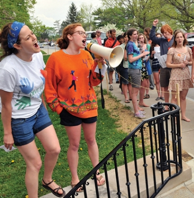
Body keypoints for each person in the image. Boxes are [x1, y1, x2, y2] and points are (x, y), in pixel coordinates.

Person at [0, 21, 65, 198]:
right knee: (34, 163)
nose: (34, 37)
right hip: (19, 119)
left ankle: (47, 180)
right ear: (17, 45)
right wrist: (7, 133)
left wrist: (42, 105)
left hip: (38, 111)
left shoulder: (37, 56)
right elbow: (5, 105)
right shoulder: (7, 68)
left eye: (32, 33)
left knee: (54, 149)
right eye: (28, 37)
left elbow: (39, 83)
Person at [45, 23, 106, 191]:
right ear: (69, 36)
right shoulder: (55, 58)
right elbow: (49, 89)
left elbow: (93, 81)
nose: (84, 35)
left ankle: (97, 171)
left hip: (89, 105)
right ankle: (75, 178)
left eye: (85, 33)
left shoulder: (87, 55)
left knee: (92, 140)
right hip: (68, 109)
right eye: (80, 33)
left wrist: (100, 65)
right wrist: (59, 109)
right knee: (74, 145)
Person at [166, 30, 194, 122]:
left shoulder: (188, 49)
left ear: (184, 38)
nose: (179, 39)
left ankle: (183, 115)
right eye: (177, 37)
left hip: (185, 75)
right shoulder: (172, 50)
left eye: (181, 37)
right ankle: (174, 115)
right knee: (174, 97)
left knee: (183, 97)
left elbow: (192, 62)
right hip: (175, 75)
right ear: (175, 39)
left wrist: (188, 63)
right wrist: (179, 65)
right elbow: (168, 64)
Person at [149, 19, 174, 106]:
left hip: (174, 66)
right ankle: (167, 105)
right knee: (165, 86)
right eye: (163, 33)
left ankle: (174, 105)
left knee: (174, 88)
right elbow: (152, 37)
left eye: (166, 32)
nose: (165, 34)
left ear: (170, 31)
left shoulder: (174, 40)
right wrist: (154, 26)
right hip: (164, 66)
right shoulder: (162, 40)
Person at [126, 28, 150, 119]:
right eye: (134, 34)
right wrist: (142, 55)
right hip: (134, 69)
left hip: (138, 68)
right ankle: (136, 111)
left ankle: (137, 109)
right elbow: (131, 59)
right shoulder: (130, 44)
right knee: (134, 92)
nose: (136, 36)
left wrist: (141, 52)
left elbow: (136, 55)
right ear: (130, 36)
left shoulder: (134, 44)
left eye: (137, 34)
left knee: (136, 90)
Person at [150, 33, 164, 101]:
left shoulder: (163, 45)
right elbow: (150, 57)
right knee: (157, 81)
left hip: (162, 63)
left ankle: (163, 95)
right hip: (155, 63)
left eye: (159, 37)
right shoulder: (152, 46)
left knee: (162, 80)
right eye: (157, 37)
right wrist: (152, 54)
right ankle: (159, 95)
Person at [137, 33, 150, 106]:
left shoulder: (145, 45)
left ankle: (141, 101)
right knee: (137, 85)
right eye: (139, 38)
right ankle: (137, 103)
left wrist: (144, 53)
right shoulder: (134, 45)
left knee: (144, 83)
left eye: (142, 38)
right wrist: (141, 54)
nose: (141, 39)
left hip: (143, 65)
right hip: (137, 66)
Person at [119, 32, 132, 103]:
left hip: (131, 66)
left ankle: (130, 96)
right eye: (125, 37)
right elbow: (125, 58)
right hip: (124, 66)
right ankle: (126, 97)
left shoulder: (132, 45)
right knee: (125, 82)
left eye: (127, 37)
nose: (126, 38)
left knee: (130, 82)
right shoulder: (121, 46)